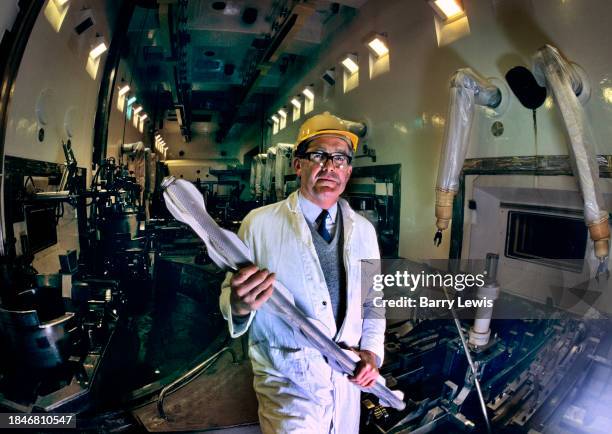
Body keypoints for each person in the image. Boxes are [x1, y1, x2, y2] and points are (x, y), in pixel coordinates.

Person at [219, 112, 385, 433]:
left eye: (339, 158)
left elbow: (373, 302)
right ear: (298, 165)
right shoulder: (260, 223)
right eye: (319, 155)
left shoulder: (363, 230)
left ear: (348, 171)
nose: (329, 166)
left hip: (346, 379)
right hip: (288, 383)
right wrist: (239, 304)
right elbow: (231, 296)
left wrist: (372, 354)